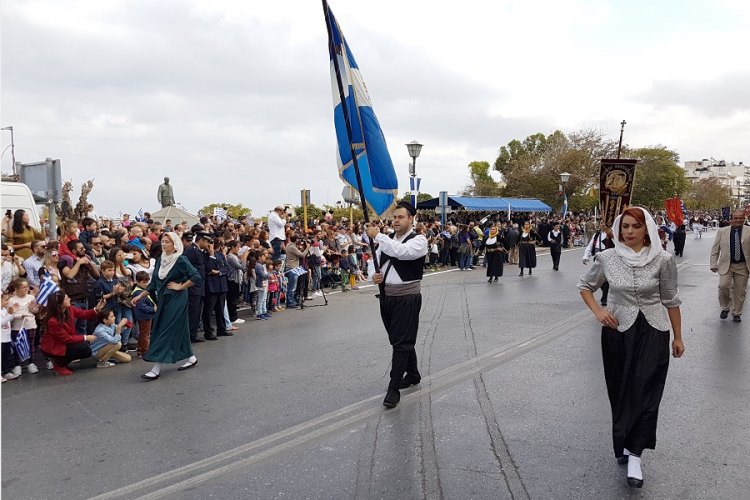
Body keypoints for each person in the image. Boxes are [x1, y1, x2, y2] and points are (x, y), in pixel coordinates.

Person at [578, 206, 684, 489]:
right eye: (624, 226)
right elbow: (585, 286)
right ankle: (624, 442)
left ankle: (635, 453)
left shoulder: (663, 259)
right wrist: (598, 312)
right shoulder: (607, 257)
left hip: (653, 330)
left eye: (635, 226)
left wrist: (678, 336)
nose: (629, 232)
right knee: (621, 389)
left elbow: (671, 300)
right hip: (617, 331)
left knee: (647, 389)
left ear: (646, 228)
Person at [366, 202, 429, 409]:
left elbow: (402, 253)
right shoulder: (386, 241)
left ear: (411, 219)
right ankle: (412, 373)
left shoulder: (419, 241)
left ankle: (394, 387)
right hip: (387, 297)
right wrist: (372, 276)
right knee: (398, 339)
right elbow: (372, 262)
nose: (396, 221)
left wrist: (379, 236)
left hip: (407, 297)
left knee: (401, 342)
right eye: (395, 217)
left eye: (401, 217)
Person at [131, 232, 201, 381]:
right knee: (178, 329)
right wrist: (139, 296)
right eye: (162, 241)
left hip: (177, 299)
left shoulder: (181, 259)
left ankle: (156, 368)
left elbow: (196, 276)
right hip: (163, 299)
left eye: (167, 242)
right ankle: (191, 357)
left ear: (174, 244)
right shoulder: (160, 260)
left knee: (165, 330)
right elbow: (154, 284)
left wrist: (181, 286)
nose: (164, 244)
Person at [41, 290, 105, 376]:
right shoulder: (53, 321)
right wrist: (85, 337)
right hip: (54, 346)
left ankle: (62, 362)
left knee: (85, 349)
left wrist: (97, 309)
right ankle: (59, 364)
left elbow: (84, 314)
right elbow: (66, 338)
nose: (70, 299)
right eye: (67, 298)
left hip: (65, 342)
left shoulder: (69, 309)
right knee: (82, 347)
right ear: (60, 303)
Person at [709, 210, 750, 322]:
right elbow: (715, 249)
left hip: (743, 266)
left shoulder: (749, 231)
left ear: (744, 219)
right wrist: (713, 263)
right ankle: (725, 307)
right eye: (735, 218)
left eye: (740, 218)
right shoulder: (722, 231)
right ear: (731, 220)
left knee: (740, 291)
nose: (738, 220)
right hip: (726, 265)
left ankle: (737, 313)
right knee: (723, 286)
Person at [583, 221, 615, 306]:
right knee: (599, 278)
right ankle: (604, 292)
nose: (602, 225)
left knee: (607, 279)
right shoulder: (596, 235)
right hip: (597, 257)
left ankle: (604, 297)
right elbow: (590, 246)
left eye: (604, 223)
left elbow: (618, 245)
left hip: (609, 257)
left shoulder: (612, 234)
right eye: (601, 223)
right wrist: (586, 256)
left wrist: (611, 235)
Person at [131, 271, 157, 357]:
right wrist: (152, 309)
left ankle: (141, 350)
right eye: (143, 282)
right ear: (137, 282)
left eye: (147, 282)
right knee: (145, 334)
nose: (146, 284)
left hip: (143, 315)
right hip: (144, 316)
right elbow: (142, 306)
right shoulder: (138, 292)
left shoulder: (140, 290)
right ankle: (145, 351)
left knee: (143, 334)